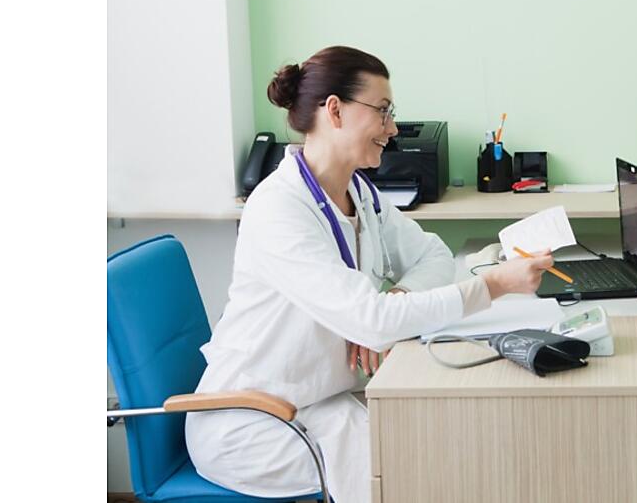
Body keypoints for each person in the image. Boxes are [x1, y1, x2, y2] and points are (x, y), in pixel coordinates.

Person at [185, 46, 553, 503]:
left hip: (322, 403)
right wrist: (494, 284)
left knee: (442, 441)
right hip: (254, 422)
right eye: (382, 111)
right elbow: (372, 322)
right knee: (412, 462)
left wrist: (396, 299)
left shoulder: (359, 193)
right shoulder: (278, 209)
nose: (392, 128)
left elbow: (433, 256)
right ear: (335, 110)